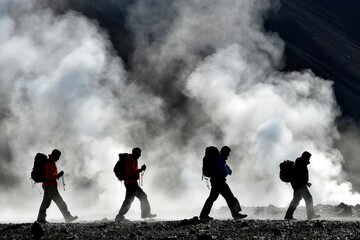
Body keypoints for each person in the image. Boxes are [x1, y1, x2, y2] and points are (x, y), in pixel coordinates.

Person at [199, 146, 247, 220]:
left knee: (212, 198)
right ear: (225, 152)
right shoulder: (219, 159)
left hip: (216, 181)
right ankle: (235, 214)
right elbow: (226, 171)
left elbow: (225, 170)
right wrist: (227, 171)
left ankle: (203, 215)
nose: (228, 155)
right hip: (219, 182)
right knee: (230, 197)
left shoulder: (219, 158)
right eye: (228, 153)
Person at [115, 147, 156, 221]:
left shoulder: (132, 159)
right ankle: (119, 216)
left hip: (132, 183)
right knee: (130, 200)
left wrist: (140, 170)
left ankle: (145, 214)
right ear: (135, 153)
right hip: (131, 183)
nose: (140, 155)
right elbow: (129, 173)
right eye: (139, 153)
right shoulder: (131, 160)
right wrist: (140, 170)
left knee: (134, 198)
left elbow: (131, 171)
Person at [37, 149, 78, 223]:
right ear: (55, 155)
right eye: (58, 156)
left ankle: (40, 219)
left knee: (45, 204)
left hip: (48, 186)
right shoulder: (49, 163)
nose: (58, 158)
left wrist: (57, 175)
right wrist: (58, 175)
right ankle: (67, 217)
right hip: (50, 186)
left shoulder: (50, 162)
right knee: (60, 202)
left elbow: (49, 176)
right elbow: (48, 176)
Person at [284, 151, 320, 220]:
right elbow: (300, 176)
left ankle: (288, 216)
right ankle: (311, 215)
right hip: (300, 185)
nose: (309, 159)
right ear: (305, 157)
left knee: (296, 200)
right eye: (308, 158)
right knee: (309, 198)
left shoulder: (300, 162)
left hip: (297, 184)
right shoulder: (301, 163)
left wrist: (306, 182)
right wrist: (305, 182)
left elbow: (299, 175)